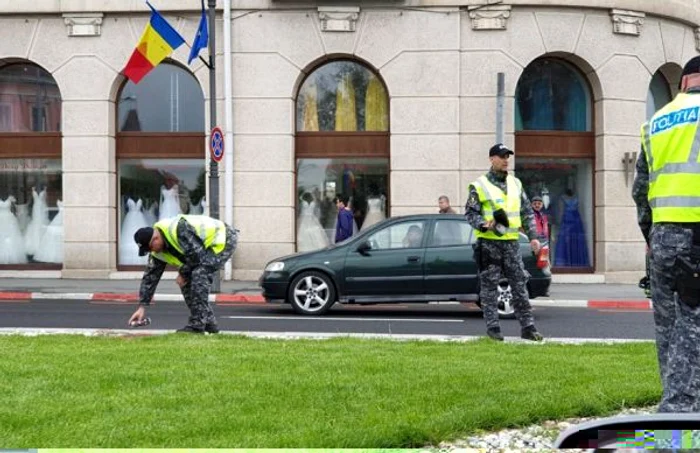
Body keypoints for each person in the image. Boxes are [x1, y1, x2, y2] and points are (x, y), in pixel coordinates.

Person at [632, 55, 700, 413]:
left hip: (663, 236)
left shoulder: (655, 122)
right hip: (697, 234)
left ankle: (674, 405)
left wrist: (652, 234)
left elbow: (640, 191)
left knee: (669, 326)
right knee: (695, 322)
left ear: (683, 82)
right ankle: (680, 413)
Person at [465, 143, 543, 342]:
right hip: (489, 244)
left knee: (519, 285)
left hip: (512, 244)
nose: (506, 160)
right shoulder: (479, 185)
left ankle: (528, 327)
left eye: (507, 156)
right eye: (501, 156)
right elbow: (470, 213)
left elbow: (526, 212)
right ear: (492, 159)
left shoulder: (516, 184)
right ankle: (493, 329)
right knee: (489, 288)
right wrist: (484, 224)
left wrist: (533, 237)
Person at [128, 214, 238, 333]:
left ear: (155, 238)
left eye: (150, 248)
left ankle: (197, 325)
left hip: (224, 239)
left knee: (199, 273)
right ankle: (209, 323)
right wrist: (142, 306)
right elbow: (150, 278)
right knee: (185, 281)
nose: (151, 252)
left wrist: (183, 273)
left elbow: (197, 257)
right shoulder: (157, 251)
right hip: (202, 251)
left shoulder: (179, 230)